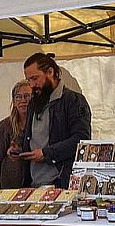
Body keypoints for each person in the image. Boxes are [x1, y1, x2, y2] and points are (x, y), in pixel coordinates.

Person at [8, 52, 91, 188]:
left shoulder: (74, 101)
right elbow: (33, 136)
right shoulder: (34, 102)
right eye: (29, 80)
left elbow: (81, 140)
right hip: (34, 183)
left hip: (60, 182)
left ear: (50, 72)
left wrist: (46, 154)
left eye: (35, 78)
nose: (32, 84)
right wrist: (19, 147)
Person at [0, 79, 31, 189]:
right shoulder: (5, 125)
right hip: (11, 184)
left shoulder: (40, 124)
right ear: (14, 101)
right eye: (18, 97)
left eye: (27, 96)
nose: (23, 100)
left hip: (35, 182)